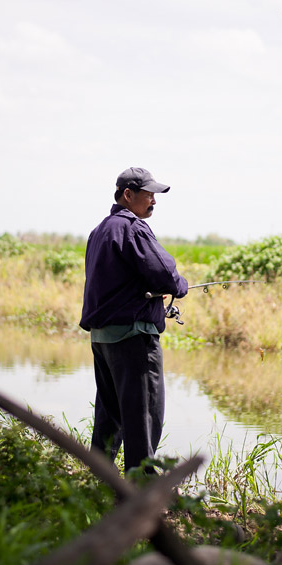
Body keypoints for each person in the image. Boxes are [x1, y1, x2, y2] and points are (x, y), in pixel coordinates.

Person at [80, 167, 188, 474]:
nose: (154, 200)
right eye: (148, 194)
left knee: (110, 413)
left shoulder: (100, 230)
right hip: (132, 338)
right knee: (145, 414)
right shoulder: (132, 227)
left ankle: (98, 477)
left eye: (155, 195)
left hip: (103, 339)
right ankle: (143, 486)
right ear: (128, 195)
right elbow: (165, 274)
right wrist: (180, 285)